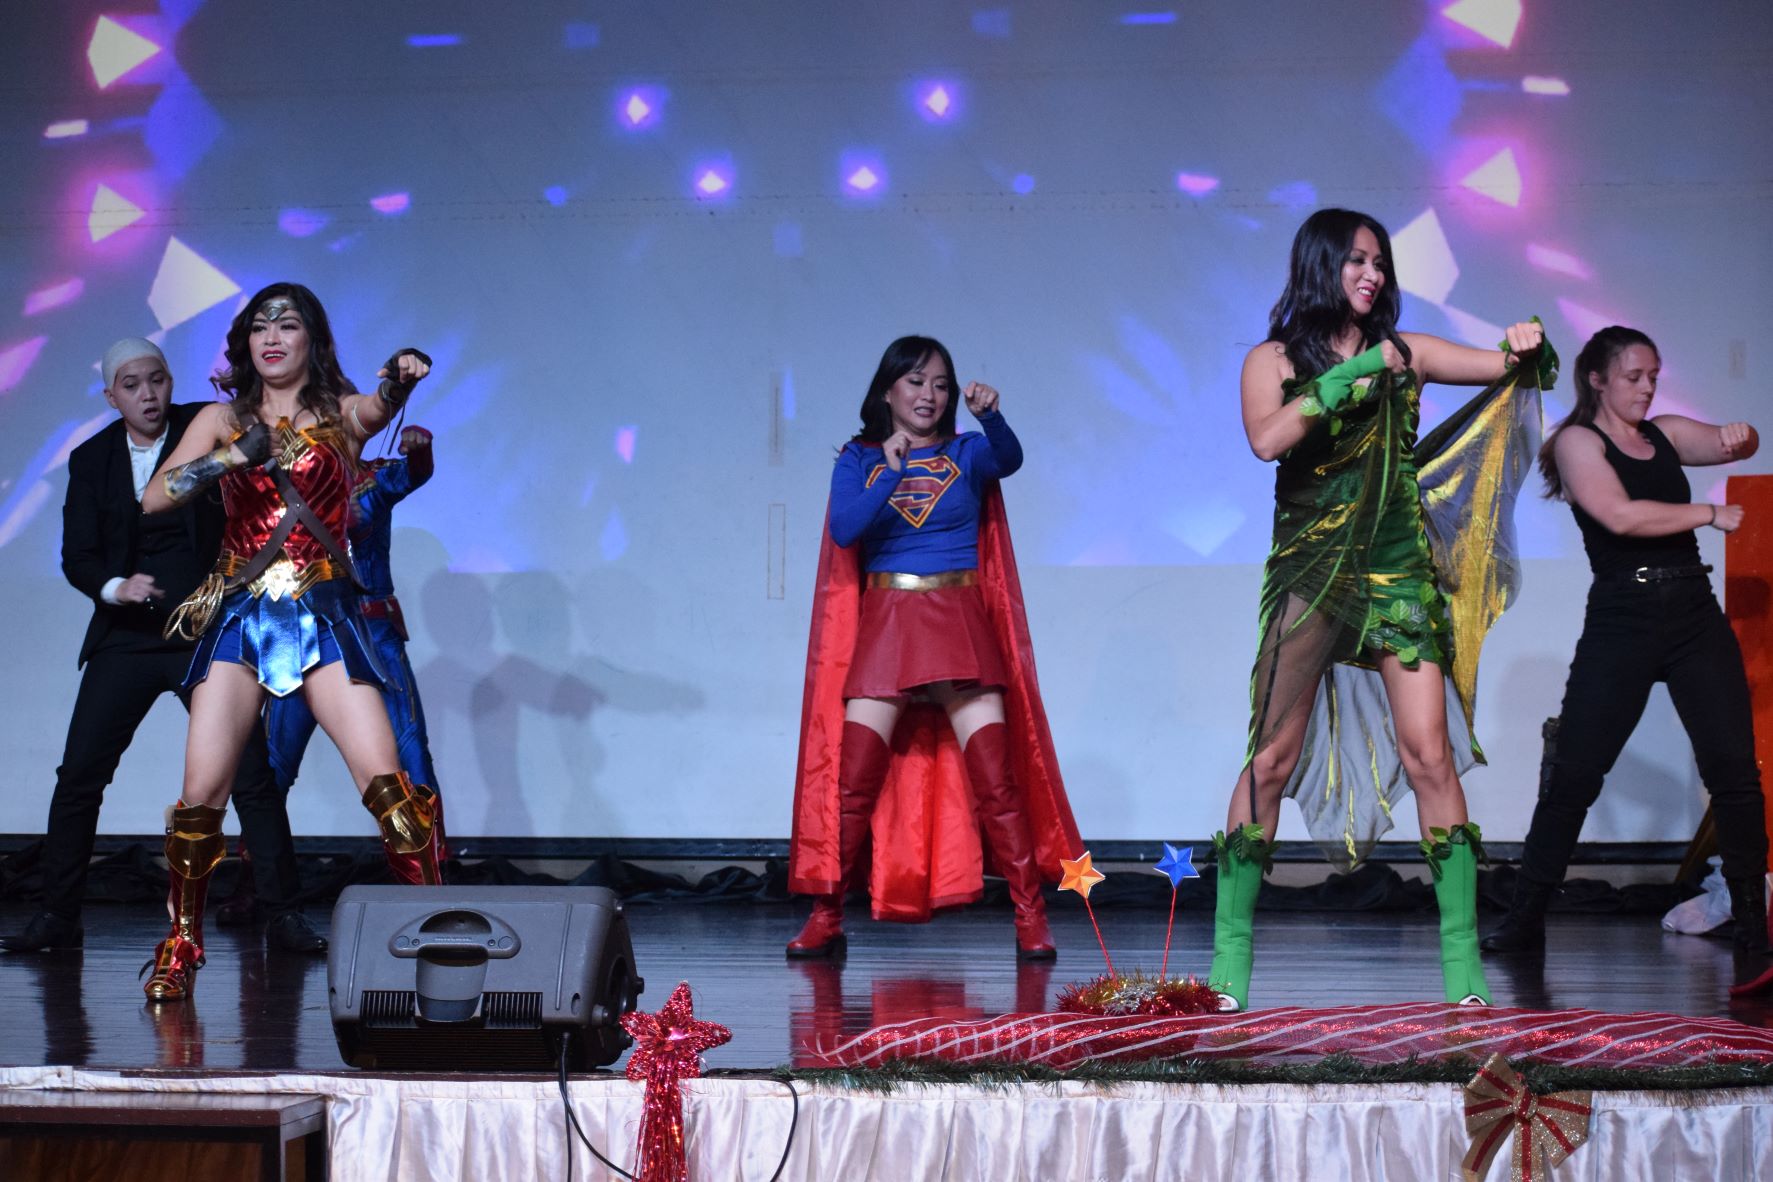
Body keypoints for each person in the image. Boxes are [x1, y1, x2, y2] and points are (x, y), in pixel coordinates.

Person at [1209, 208, 1554, 1012]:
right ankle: (1230, 958)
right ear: (1321, 264)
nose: (1371, 275)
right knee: (1270, 759)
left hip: (1396, 576)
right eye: (1356, 261)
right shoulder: (1270, 359)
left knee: (1430, 754)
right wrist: (1334, 384)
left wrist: (1526, 343)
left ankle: (1462, 969)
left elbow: (1504, 365)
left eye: (1379, 263)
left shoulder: (1405, 353)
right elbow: (1266, 440)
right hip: (1310, 574)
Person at [136, 283, 443, 1002]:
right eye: (259, 326)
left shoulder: (338, 414)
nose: (272, 336)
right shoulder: (221, 416)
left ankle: (439, 930)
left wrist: (398, 379)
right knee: (200, 798)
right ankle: (182, 942)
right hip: (243, 616)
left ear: (312, 339)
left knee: (393, 792)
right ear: (245, 342)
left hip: (326, 615)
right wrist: (228, 457)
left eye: (288, 324)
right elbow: (154, 498)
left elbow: (376, 410)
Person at [0, 339, 323, 957]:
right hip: (126, 637)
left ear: (170, 382)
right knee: (79, 779)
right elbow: (78, 557)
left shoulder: (204, 429)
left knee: (251, 774)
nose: (148, 395)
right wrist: (117, 587)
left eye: (157, 381)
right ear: (111, 395)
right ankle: (57, 918)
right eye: (132, 385)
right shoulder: (91, 459)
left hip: (201, 633)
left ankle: (283, 915)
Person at [1481, 326, 1770, 994]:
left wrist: (1740, 436)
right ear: (1596, 379)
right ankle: (1524, 917)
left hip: (1692, 615)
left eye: (1652, 376)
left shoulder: (1662, 431)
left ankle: (1753, 923)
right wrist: (1705, 512)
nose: (1645, 387)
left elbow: (1725, 438)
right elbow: (1617, 514)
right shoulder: (1577, 442)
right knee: (1576, 774)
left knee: (1732, 770)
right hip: (1624, 617)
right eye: (1633, 376)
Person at [786, 336, 1081, 960]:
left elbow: (1011, 458)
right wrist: (888, 472)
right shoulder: (859, 458)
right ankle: (827, 914)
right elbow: (845, 528)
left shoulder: (968, 452)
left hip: (957, 620)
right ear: (888, 389)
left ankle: (1031, 916)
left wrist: (991, 416)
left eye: (940, 384)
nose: (929, 394)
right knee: (853, 788)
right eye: (916, 381)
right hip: (890, 623)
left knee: (997, 785)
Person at [263, 424, 444, 821]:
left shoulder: (372, 479)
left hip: (372, 634)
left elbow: (414, 472)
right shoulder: (278, 484)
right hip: (303, 634)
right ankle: (259, 876)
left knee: (410, 753)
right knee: (274, 761)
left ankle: (431, 874)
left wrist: (419, 447)